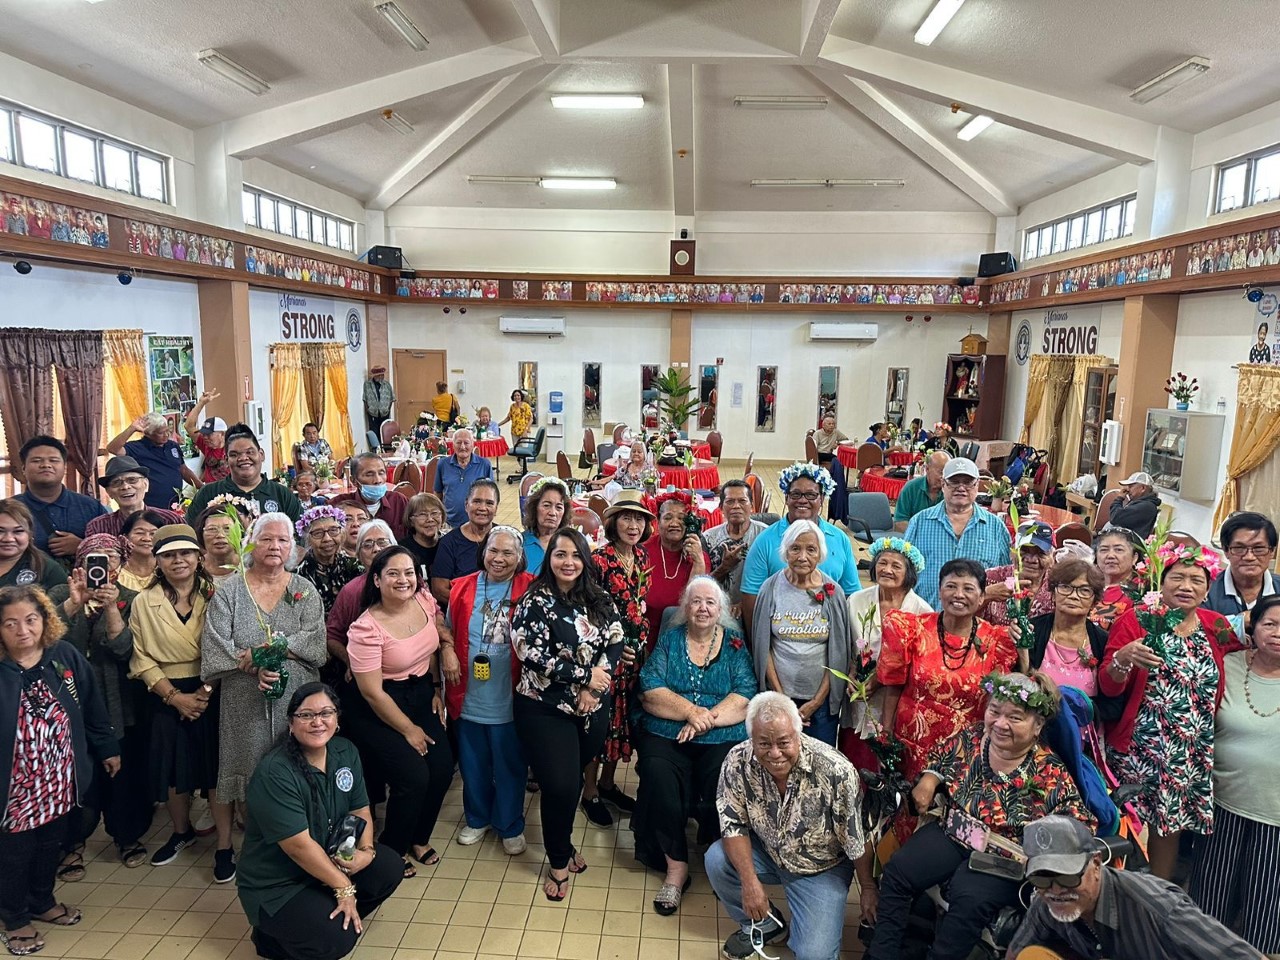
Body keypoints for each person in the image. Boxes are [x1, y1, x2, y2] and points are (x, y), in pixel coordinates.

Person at [870, 673, 1094, 960]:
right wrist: (929, 778)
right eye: (994, 711)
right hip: (956, 832)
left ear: (1037, 725)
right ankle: (881, 954)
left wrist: (1043, 846)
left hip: (1002, 856)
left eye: (1015, 718)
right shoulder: (972, 737)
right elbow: (940, 757)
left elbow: (1080, 824)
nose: (1000, 724)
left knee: (969, 899)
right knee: (899, 871)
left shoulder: (1049, 771)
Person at [1100, 541, 1237, 880]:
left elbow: (1242, 659)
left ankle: (1157, 900)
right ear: (1162, 581)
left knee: (1169, 825)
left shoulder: (1215, 624)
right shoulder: (1138, 620)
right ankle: (1116, 892)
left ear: (1208, 588)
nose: (1186, 586)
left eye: (1196, 579)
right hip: (1139, 746)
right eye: (1177, 577)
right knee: (1126, 821)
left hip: (1189, 750)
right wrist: (1124, 658)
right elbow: (1108, 684)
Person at [201, 513, 327, 880]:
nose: (275, 546)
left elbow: (316, 644)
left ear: (292, 548)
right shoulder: (230, 592)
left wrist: (275, 648)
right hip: (243, 700)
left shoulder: (303, 588)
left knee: (297, 774)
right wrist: (254, 665)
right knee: (250, 775)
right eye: (267, 539)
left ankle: (299, 849)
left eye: (283, 541)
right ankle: (242, 849)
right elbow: (214, 649)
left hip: (297, 701)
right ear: (251, 544)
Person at [237, 683, 403, 960]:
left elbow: (360, 808)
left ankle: (326, 911)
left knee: (388, 866)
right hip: (279, 882)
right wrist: (343, 887)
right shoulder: (275, 772)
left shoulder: (344, 751)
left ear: (337, 719)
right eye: (306, 715)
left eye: (326, 712)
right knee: (338, 939)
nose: (317, 722)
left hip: (328, 861)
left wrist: (366, 852)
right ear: (291, 722)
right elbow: (298, 847)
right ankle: (270, 940)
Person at [705, 692, 872, 960]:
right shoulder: (737, 761)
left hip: (821, 867)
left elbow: (856, 838)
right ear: (752, 738)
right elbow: (732, 825)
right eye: (763, 743)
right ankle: (763, 924)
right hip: (769, 852)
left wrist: (868, 888)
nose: (774, 753)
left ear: (798, 733)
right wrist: (749, 883)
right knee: (716, 859)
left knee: (814, 955)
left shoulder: (835, 770)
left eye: (784, 742)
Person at [0, 583, 118, 957]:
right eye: (10, 624)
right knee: (14, 853)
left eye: (31, 620)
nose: (23, 631)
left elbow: (93, 706)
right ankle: (14, 916)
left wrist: (107, 748)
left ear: (45, 620)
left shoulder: (62, 656)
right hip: (13, 787)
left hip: (59, 777)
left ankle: (41, 900)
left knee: (52, 844)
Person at [512, 528, 624, 902]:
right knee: (559, 785)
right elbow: (530, 653)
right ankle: (558, 858)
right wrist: (583, 676)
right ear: (550, 559)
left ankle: (563, 841)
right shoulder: (534, 601)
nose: (569, 562)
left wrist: (594, 687)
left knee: (573, 780)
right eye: (560, 555)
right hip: (545, 707)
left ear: (585, 560)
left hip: (591, 705)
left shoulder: (598, 597)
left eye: (576, 555)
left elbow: (615, 639)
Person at [633, 577, 756, 915]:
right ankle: (676, 869)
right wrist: (690, 712)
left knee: (724, 772)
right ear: (685, 608)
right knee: (657, 770)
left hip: (721, 733)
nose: (703, 608)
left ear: (721, 610)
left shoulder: (733, 643)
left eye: (710, 603)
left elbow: (746, 691)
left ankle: (722, 861)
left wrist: (706, 720)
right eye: (696, 602)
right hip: (668, 731)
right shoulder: (670, 640)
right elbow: (649, 687)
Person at [1008, 814, 1266, 960]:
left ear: (1096, 864)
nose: (1055, 890)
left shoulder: (1160, 910)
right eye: (1041, 878)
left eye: (1067, 876)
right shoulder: (1047, 902)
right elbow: (1019, 954)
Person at [878, 559, 1017, 825]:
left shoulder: (996, 641)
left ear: (981, 596)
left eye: (968, 588)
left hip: (963, 753)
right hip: (912, 746)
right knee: (906, 819)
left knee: (953, 825)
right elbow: (893, 684)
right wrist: (886, 737)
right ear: (939, 590)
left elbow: (1000, 701)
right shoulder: (913, 629)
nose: (959, 595)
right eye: (951, 586)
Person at [127, 524, 233, 871]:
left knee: (217, 772)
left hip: (211, 688)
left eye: (185, 552)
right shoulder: (145, 601)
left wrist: (203, 693)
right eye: (169, 554)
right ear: (157, 561)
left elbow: (226, 646)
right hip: (165, 693)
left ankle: (225, 845)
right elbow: (140, 657)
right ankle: (180, 830)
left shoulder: (217, 594)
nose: (178, 561)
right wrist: (175, 697)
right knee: (175, 772)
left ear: (198, 556)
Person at [345, 546, 455, 874]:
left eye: (409, 572)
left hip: (420, 693)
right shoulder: (366, 628)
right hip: (376, 707)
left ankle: (418, 837)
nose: (403, 579)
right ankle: (392, 848)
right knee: (413, 776)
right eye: (393, 573)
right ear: (376, 580)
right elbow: (372, 692)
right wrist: (408, 729)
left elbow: (432, 641)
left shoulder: (422, 600)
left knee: (442, 767)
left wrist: (436, 688)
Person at [47, 534, 151, 871]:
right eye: (93, 558)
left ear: (119, 565)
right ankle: (73, 841)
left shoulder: (133, 599)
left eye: (109, 558)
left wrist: (110, 608)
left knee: (124, 772)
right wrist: (73, 606)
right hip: (68, 698)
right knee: (76, 773)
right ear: (80, 564)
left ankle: (126, 835)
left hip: (118, 697)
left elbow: (124, 650)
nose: (101, 565)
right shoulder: (61, 595)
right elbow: (44, 644)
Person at [1186, 593, 1280, 953]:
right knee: (1208, 901)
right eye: (1269, 623)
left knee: (1265, 906)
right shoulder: (1228, 663)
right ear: (1252, 628)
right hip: (1222, 801)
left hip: (1275, 811)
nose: (1277, 632)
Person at [443, 527, 534, 854]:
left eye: (508, 553)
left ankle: (509, 824)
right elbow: (447, 628)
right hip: (469, 692)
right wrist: (447, 648)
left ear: (519, 557)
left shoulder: (531, 588)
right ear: (483, 552)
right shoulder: (462, 588)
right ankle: (478, 818)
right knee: (473, 763)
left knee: (510, 764)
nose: (499, 558)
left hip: (510, 695)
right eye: (493, 551)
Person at [578, 490, 654, 828]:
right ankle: (590, 791)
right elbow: (586, 610)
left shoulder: (641, 557)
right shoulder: (600, 559)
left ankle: (609, 784)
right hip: (607, 657)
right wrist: (611, 644)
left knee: (622, 722)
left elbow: (641, 604)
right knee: (601, 724)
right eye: (626, 517)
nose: (633, 524)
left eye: (639, 518)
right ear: (613, 522)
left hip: (634, 657)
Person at [750, 519, 851, 747]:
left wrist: (816, 702)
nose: (802, 556)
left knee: (819, 761)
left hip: (821, 702)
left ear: (820, 555)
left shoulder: (833, 592)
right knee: (779, 755)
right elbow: (762, 646)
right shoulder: (770, 588)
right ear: (785, 552)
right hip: (778, 696)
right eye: (795, 548)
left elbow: (839, 653)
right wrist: (781, 697)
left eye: (811, 549)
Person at [740, 463, 859, 635]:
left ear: (822, 498)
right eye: (795, 494)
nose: (802, 500)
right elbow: (751, 598)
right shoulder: (765, 541)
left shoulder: (839, 539)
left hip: (829, 641)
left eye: (811, 494)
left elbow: (851, 595)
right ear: (786, 497)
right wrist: (758, 647)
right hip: (779, 642)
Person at [843, 537, 931, 766]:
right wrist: (851, 673)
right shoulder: (856, 601)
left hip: (899, 701)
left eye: (896, 566)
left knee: (890, 766)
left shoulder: (922, 612)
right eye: (882, 563)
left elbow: (922, 664)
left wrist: (881, 680)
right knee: (856, 762)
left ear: (909, 573)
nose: (887, 570)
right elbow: (847, 646)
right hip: (859, 699)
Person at [904, 457, 1012, 608]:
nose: (961, 488)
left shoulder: (996, 528)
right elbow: (904, 573)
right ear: (943, 485)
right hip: (927, 620)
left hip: (978, 623)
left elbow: (1008, 577)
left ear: (977, 486)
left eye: (968, 482)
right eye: (954, 481)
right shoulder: (919, 522)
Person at [1023, 559, 1112, 703]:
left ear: (1094, 602)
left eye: (1084, 590)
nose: (1073, 595)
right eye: (1065, 587)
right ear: (1053, 594)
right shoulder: (1032, 630)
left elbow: (1111, 702)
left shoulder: (1102, 641)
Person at [13, 435, 107, 563]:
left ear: (64, 468)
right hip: (22, 582)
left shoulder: (90, 507)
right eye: (36, 461)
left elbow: (112, 549)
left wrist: (82, 546)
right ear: (23, 469)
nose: (46, 465)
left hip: (83, 581)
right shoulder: (8, 509)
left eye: (53, 460)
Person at [323, 522, 397, 681]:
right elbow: (332, 636)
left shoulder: (410, 582)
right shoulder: (351, 591)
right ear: (358, 554)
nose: (376, 549)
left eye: (382, 542)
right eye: (367, 544)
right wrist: (351, 661)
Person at [185, 425, 302, 523]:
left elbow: (300, 536)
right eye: (234, 455)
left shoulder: (282, 494)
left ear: (261, 454)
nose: (243, 458)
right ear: (226, 459)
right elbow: (191, 536)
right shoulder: (208, 493)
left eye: (249, 452)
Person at [644, 493, 711, 642]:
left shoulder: (699, 556)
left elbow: (696, 603)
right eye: (668, 518)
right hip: (645, 634)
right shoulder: (643, 552)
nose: (675, 523)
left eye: (681, 518)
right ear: (658, 522)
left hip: (683, 636)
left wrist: (698, 562)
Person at [107, 412, 201, 508]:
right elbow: (113, 449)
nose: (166, 435)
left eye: (167, 431)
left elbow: (183, 470)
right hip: (151, 506)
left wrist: (202, 487)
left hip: (176, 504)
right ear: (148, 433)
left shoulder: (172, 446)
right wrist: (132, 429)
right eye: (161, 433)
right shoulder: (136, 448)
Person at [430, 479, 498, 607]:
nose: (482, 508)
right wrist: (474, 607)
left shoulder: (504, 538)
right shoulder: (449, 543)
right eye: (477, 501)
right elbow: (439, 590)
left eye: (489, 503)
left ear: (496, 509)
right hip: (462, 611)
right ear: (466, 505)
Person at [704, 480, 767, 611]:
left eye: (742, 501)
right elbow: (702, 584)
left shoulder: (765, 535)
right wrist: (725, 567)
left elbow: (774, 581)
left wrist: (746, 604)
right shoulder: (708, 538)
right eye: (730, 501)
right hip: (715, 609)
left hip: (757, 607)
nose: (736, 506)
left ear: (752, 506)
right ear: (721, 507)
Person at [1204, 511, 1280, 619]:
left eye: (1258, 549)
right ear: (1226, 550)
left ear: (1272, 551)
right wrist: (1239, 622)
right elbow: (1194, 628)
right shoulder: (1205, 590)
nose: (1249, 557)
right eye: (1239, 548)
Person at [982, 520, 1056, 626]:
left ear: (1053, 557)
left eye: (1041, 553)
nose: (1031, 559)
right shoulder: (989, 578)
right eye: (1024, 551)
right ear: (1012, 552)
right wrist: (986, 595)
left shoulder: (1059, 585)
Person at [85, 456, 182, 537]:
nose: (125, 487)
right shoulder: (98, 527)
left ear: (146, 485)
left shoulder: (171, 520)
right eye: (116, 483)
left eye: (132, 480)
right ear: (108, 492)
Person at [295, 506, 365, 615]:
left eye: (333, 530)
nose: (327, 538)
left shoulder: (356, 566)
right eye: (318, 533)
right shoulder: (299, 576)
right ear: (308, 540)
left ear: (342, 534)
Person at [330, 452, 409, 542]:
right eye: (369, 474)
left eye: (381, 473)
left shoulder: (399, 501)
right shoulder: (337, 505)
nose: (378, 480)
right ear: (354, 481)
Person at [0, 500, 69, 591]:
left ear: (30, 534)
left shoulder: (47, 569)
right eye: (0, 531)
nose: (8, 539)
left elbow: (66, 602)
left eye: (18, 531)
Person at [433, 429, 494, 529]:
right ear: (453, 445)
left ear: (472, 444)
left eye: (466, 443)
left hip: (477, 523)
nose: (462, 447)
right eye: (458, 443)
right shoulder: (443, 464)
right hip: (450, 523)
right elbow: (437, 493)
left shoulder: (484, 464)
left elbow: (492, 496)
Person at [1091, 526, 1143, 630]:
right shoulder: (1087, 584)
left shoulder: (1141, 592)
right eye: (1104, 550)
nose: (1110, 555)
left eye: (1119, 550)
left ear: (1135, 558)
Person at [520, 477, 568, 576]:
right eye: (546, 505)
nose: (553, 513)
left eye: (559, 507)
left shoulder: (570, 543)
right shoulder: (519, 543)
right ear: (534, 507)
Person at [892, 451, 949, 531]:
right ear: (927, 469)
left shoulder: (951, 491)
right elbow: (899, 523)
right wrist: (922, 534)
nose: (944, 477)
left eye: (947, 473)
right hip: (913, 538)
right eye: (941, 472)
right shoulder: (911, 488)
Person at [184, 390, 230, 484]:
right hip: (211, 492)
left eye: (209, 435)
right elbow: (188, 426)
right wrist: (201, 403)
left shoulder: (233, 447)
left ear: (222, 434)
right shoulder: (206, 445)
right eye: (204, 434)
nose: (205, 438)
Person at [117, 509, 168, 592]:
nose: (146, 538)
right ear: (126, 536)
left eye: (153, 534)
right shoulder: (115, 573)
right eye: (139, 533)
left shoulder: (168, 571)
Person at [401, 493, 446, 582]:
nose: (430, 519)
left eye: (434, 513)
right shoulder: (402, 549)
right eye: (422, 515)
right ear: (411, 521)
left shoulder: (449, 543)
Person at [1107, 471, 1162, 538]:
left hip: (1127, 544)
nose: (1127, 490)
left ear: (1143, 488)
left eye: (1131, 486)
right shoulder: (1140, 503)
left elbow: (1115, 517)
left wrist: (1119, 499)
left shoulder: (1145, 506)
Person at [362, 367, 394, 436]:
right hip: (373, 413)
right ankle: (376, 446)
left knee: (385, 432)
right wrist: (368, 409)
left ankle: (385, 446)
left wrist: (388, 409)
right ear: (375, 375)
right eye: (379, 375)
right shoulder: (367, 385)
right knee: (374, 432)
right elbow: (365, 399)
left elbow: (392, 398)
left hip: (384, 413)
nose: (381, 377)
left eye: (382, 375)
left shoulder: (387, 385)